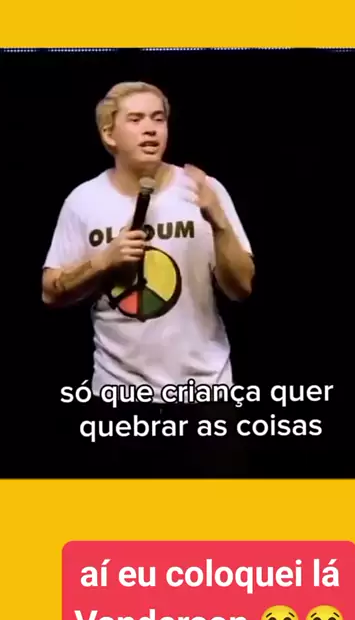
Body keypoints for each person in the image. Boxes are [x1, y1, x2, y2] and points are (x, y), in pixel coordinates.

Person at [42, 81, 254, 473]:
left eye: (158, 119)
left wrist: (219, 222)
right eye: (136, 119)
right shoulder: (83, 201)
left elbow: (242, 288)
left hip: (206, 395)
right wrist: (103, 261)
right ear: (109, 134)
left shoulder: (204, 190)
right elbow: (50, 293)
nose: (151, 129)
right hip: (119, 400)